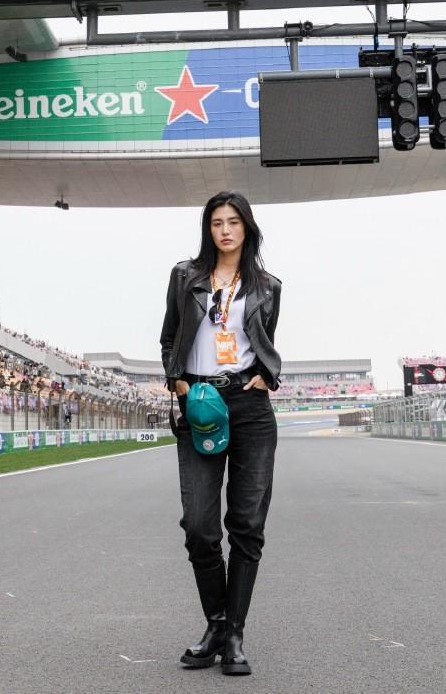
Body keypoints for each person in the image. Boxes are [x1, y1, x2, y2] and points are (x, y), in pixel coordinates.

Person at [160, 190, 281, 676]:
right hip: (199, 403)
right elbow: (170, 336)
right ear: (207, 229)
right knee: (199, 527)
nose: (225, 230)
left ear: (247, 228)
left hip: (250, 408)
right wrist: (178, 382)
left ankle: (232, 635)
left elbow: (266, 342)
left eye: (233, 221)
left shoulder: (268, 286)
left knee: (247, 525)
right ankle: (216, 622)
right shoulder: (184, 276)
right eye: (217, 222)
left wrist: (267, 376)